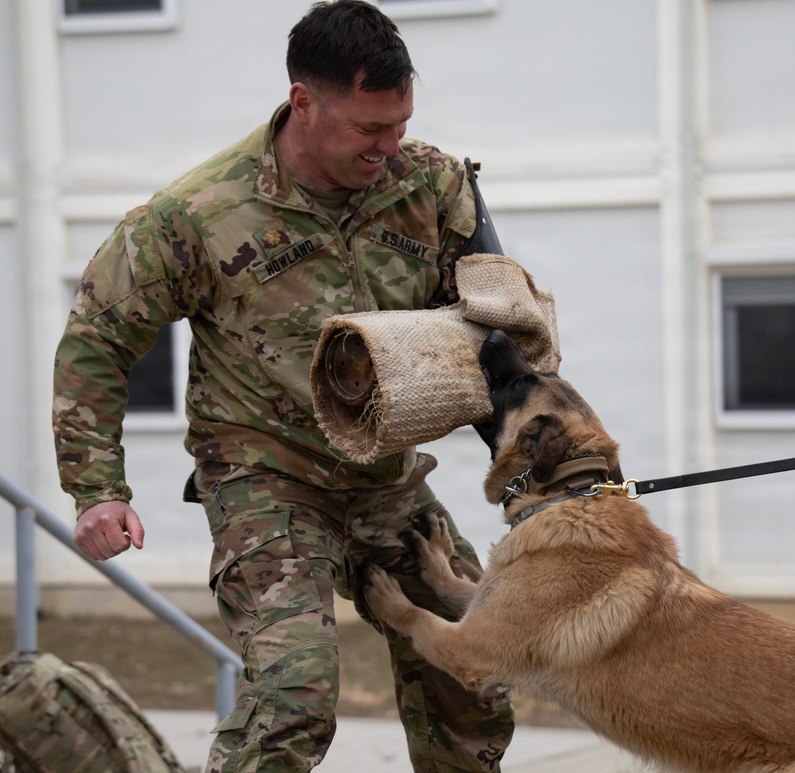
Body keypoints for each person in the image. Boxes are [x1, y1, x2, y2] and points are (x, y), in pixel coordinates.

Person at [51, 2, 515, 770]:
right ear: (304, 101)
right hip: (268, 481)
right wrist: (97, 487)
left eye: (399, 124)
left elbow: (495, 331)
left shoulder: (430, 183)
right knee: (293, 700)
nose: (389, 147)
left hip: (386, 478)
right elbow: (98, 340)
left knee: (476, 665)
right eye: (370, 129)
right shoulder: (194, 216)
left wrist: (542, 465)